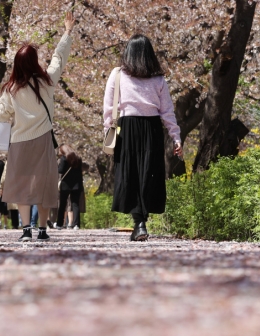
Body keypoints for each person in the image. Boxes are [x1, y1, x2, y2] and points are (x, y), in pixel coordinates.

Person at [0, 11, 75, 242]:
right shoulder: (47, 82)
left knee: (21, 186)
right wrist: (67, 32)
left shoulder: (10, 88)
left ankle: (25, 230)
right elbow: (59, 59)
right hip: (42, 140)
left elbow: (1, 115)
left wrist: (1, 139)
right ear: (35, 61)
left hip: (19, 141)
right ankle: (42, 229)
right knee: (42, 185)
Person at [103, 34, 183, 241]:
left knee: (131, 175)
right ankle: (141, 222)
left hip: (128, 128)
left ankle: (139, 222)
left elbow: (109, 108)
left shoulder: (118, 74)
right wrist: (175, 136)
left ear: (129, 53)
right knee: (148, 174)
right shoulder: (158, 79)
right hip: (152, 128)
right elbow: (167, 111)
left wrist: (107, 132)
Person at [56, 145, 84, 229]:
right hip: (77, 184)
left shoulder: (64, 159)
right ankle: (76, 224)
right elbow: (80, 171)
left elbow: (60, 170)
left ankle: (59, 224)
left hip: (66, 184)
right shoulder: (78, 158)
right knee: (75, 204)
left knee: (62, 204)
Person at [0, 162, 20, 229]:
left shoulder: (9, 161)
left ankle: (15, 224)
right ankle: (29, 223)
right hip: (24, 184)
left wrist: (1, 186)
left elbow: (4, 176)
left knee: (14, 206)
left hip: (12, 184)